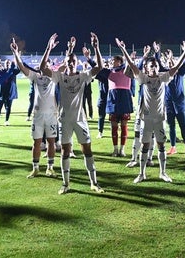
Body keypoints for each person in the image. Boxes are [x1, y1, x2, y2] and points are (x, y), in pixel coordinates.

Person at [116, 37, 185, 184]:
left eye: (155, 66)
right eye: (151, 66)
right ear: (147, 68)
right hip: (146, 119)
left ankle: (163, 173)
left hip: (160, 119)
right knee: (145, 145)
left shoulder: (164, 77)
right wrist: (123, 49)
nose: (154, 68)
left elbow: (176, 67)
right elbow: (131, 65)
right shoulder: (143, 78)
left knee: (161, 145)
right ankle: (142, 174)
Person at [39, 33, 104, 195]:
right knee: (66, 152)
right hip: (64, 120)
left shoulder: (83, 76)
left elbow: (99, 67)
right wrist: (48, 47)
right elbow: (42, 68)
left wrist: (96, 47)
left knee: (87, 151)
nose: (70, 63)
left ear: (77, 62)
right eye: (68, 61)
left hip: (80, 120)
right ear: (65, 62)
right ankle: (66, 184)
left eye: (73, 61)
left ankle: (94, 183)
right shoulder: (59, 77)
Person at [11, 41, 58, 178]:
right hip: (37, 114)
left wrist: (68, 48)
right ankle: (35, 168)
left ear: (49, 66)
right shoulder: (35, 76)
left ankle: (50, 168)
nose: (43, 66)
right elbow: (21, 67)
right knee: (36, 142)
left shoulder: (54, 77)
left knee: (51, 142)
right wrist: (15, 53)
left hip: (51, 114)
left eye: (46, 65)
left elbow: (65, 66)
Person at [94, 52, 134, 157]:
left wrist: (125, 52)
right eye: (111, 61)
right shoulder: (109, 72)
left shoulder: (126, 71)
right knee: (114, 127)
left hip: (124, 100)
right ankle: (115, 149)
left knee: (124, 126)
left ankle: (122, 149)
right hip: (112, 102)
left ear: (120, 62)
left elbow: (130, 64)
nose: (112, 62)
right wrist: (91, 56)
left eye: (114, 60)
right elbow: (98, 67)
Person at [164, 44, 185, 156]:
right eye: (168, 63)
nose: (170, 64)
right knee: (171, 126)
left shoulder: (180, 72)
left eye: (172, 63)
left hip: (180, 103)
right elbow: (158, 63)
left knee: (183, 126)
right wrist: (158, 53)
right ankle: (173, 147)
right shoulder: (165, 74)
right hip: (168, 104)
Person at [0, 58, 20, 126]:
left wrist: (18, 60)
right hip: (2, 93)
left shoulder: (13, 71)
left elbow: (19, 69)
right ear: (4, 64)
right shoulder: (2, 71)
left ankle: (6, 120)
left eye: (8, 63)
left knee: (8, 107)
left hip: (10, 93)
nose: (7, 64)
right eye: (6, 63)